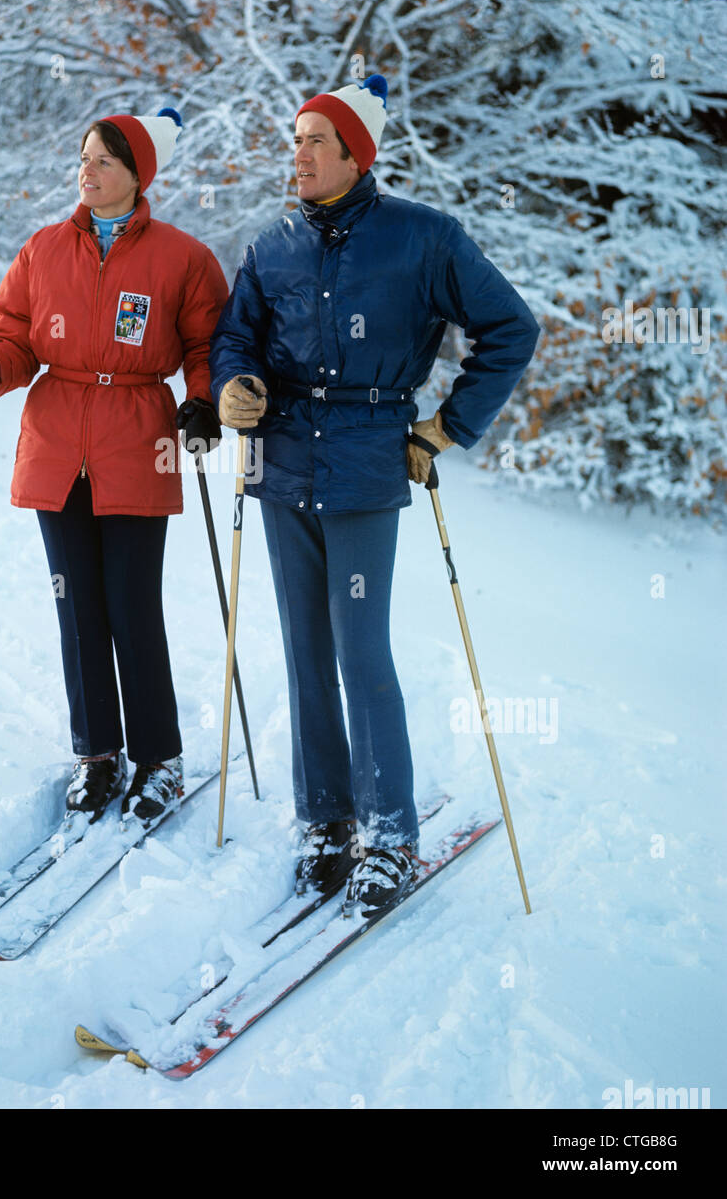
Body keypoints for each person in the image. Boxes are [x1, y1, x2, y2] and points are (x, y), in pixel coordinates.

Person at [209, 74, 540, 912]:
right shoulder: (272, 243)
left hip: (364, 467)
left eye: (316, 139)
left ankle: (389, 837)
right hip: (281, 466)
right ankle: (324, 824)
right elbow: (235, 336)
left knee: (360, 656)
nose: (299, 153)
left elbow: (511, 328)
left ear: (356, 154)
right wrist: (235, 383)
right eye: (295, 138)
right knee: (303, 656)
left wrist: (446, 428)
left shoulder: (422, 239)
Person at [0, 108, 228, 827]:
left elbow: (208, 348)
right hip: (56, 444)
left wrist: (203, 403)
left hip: (137, 440)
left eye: (103, 160)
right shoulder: (43, 250)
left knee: (133, 607)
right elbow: (16, 335)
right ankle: (97, 755)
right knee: (78, 609)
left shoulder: (181, 258)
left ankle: (158, 760)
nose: (86, 170)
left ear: (137, 176)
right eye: (82, 157)